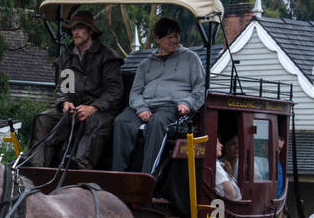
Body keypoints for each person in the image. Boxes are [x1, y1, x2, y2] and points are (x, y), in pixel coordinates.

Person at [25, 12, 124, 170]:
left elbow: (114, 91)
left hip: (100, 110)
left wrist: (92, 108)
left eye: (80, 28)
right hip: (73, 109)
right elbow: (64, 87)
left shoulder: (107, 56)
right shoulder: (68, 56)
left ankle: (80, 168)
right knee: (43, 119)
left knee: (94, 122)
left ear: (90, 31)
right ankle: (37, 170)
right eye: (73, 29)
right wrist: (65, 102)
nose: (75, 32)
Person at [110, 17, 206, 173]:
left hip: (172, 107)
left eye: (177, 36)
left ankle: (148, 176)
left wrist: (187, 103)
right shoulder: (145, 64)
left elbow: (201, 88)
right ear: (158, 39)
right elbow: (135, 92)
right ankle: (118, 174)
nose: (175, 40)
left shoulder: (191, 59)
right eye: (170, 37)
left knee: (157, 123)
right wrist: (141, 108)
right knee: (121, 121)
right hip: (145, 105)